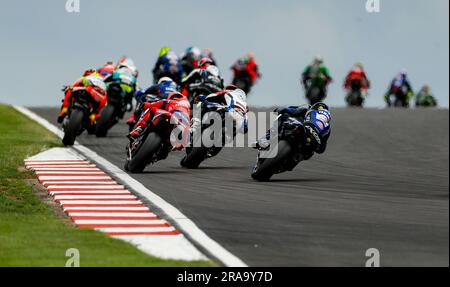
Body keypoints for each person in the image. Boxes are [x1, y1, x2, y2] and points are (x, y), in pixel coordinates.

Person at [254, 102, 332, 162]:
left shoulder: (306, 110)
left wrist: (280, 110)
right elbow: (321, 149)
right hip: (300, 137)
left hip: (298, 134)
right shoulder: (327, 129)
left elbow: (286, 110)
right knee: (308, 154)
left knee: (281, 118)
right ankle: (294, 158)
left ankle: (265, 139)